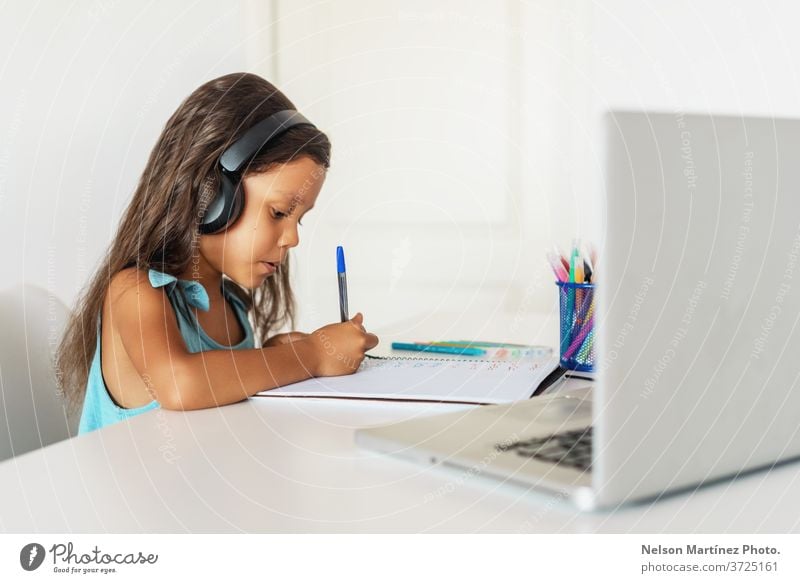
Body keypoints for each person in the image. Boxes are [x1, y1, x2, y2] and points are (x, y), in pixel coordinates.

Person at [55, 72, 379, 433]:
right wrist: (311, 356)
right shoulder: (133, 293)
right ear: (213, 198)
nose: (291, 239)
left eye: (298, 221)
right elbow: (181, 384)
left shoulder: (231, 306)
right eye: (278, 213)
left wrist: (272, 355)